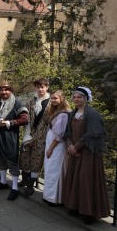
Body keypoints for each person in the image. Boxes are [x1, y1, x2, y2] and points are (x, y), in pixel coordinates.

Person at [62, 87, 110, 225]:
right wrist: (71, 146)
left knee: (86, 181)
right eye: (75, 97)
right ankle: (76, 207)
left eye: (80, 97)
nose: (76, 99)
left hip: (88, 153)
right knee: (75, 178)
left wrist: (76, 147)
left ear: (86, 98)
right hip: (75, 152)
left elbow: (93, 134)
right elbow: (68, 132)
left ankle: (89, 212)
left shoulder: (92, 114)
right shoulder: (73, 113)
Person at [0, 80, 28, 201]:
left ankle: (15, 188)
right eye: (1, 89)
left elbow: (25, 119)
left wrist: (10, 122)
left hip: (10, 136)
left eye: (6, 89)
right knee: (0, 159)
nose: (3, 91)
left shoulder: (16, 103)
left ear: (10, 90)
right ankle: (2, 182)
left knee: (12, 161)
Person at [19, 78, 51, 197]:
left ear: (47, 87)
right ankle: (24, 179)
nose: (40, 89)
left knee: (37, 158)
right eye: (38, 87)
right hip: (29, 132)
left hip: (43, 134)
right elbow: (25, 114)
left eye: (42, 87)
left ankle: (31, 184)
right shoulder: (31, 100)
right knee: (25, 156)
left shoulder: (51, 102)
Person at [43, 90, 70, 206]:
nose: (53, 100)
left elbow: (59, 134)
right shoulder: (56, 111)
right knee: (49, 169)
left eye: (56, 98)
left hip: (57, 145)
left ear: (62, 99)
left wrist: (50, 148)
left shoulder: (63, 114)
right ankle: (48, 196)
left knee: (55, 170)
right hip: (51, 142)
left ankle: (55, 199)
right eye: (52, 98)